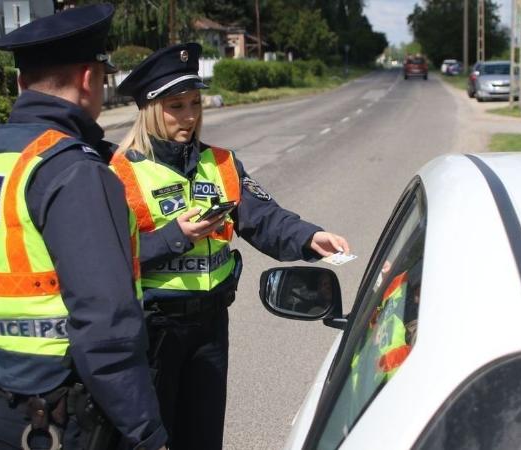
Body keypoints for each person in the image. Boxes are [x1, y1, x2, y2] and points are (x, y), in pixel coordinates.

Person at [111, 42, 351, 449]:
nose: (189, 116)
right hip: (154, 328)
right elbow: (107, 259)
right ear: (150, 109)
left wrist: (310, 238)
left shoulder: (221, 162)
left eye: (195, 104)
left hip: (210, 326)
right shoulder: (119, 172)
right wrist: (174, 238)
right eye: (176, 106)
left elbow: (265, 217)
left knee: (204, 439)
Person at [0, 4, 166, 449]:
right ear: (89, 79)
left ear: (20, 83)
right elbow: (105, 322)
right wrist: (146, 430)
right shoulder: (73, 170)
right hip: (61, 410)